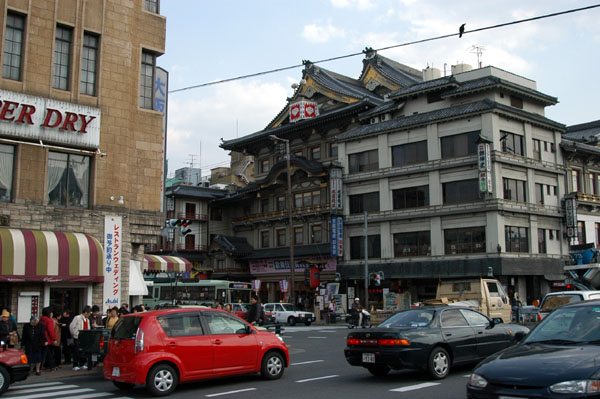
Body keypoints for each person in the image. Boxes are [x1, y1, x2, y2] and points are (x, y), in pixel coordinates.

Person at [70, 306, 92, 371]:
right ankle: (75, 365)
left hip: (85, 337)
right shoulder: (77, 318)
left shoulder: (87, 320)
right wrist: (75, 334)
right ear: (86, 312)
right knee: (76, 351)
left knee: (83, 351)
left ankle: (82, 364)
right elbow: (72, 326)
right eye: (88, 313)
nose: (89, 315)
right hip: (78, 337)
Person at [39, 307, 57, 371]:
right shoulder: (49, 320)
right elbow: (50, 330)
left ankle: (47, 365)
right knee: (47, 354)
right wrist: (54, 339)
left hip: (40, 338)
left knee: (45, 353)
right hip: (47, 338)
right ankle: (51, 366)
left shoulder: (41, 319)